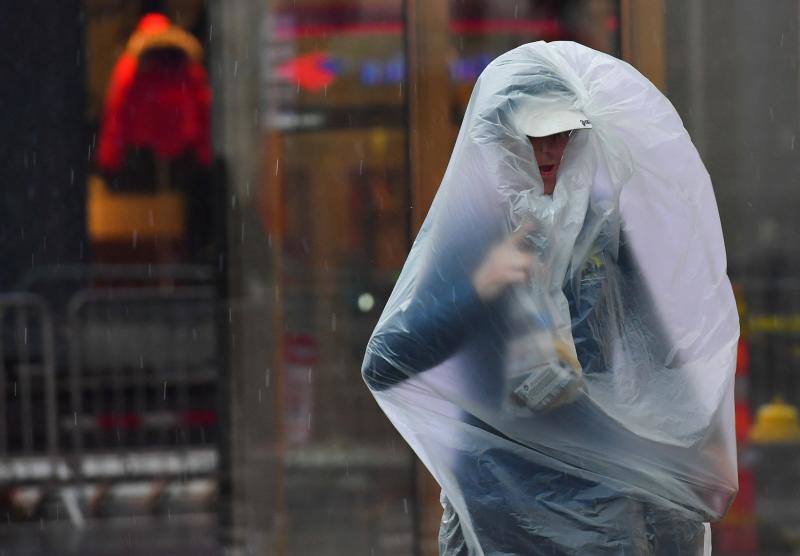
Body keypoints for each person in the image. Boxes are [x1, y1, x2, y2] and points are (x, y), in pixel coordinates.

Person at [362, 41, 738, 555]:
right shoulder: (468, 236)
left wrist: (699, 445)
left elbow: (653, 345)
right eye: (535, 135)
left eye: (563, 134)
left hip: (600, 496)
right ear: (499, 135)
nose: (550, 150)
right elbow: (387, 362)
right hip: (501, 504)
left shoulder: (598, 227)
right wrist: (481, 288)